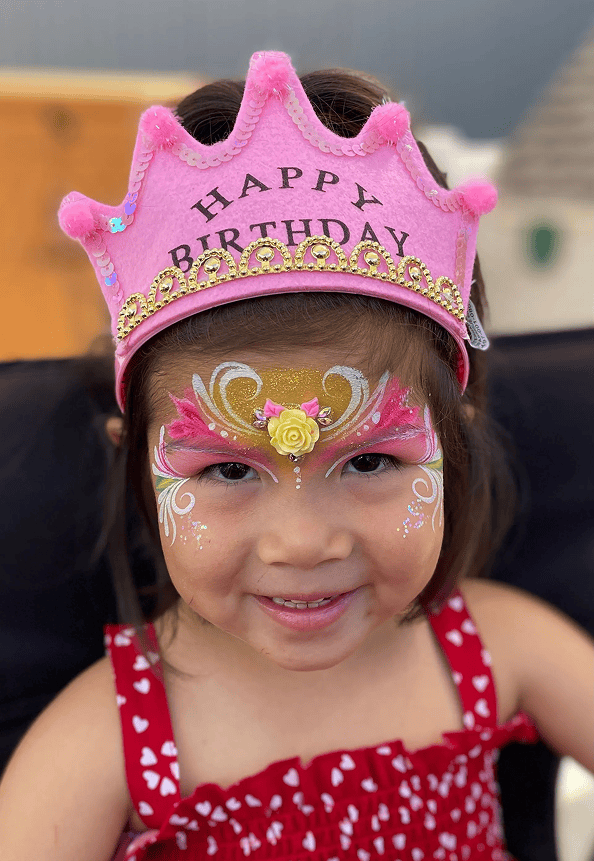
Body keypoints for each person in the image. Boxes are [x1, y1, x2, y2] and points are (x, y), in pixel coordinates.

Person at [0, 51, 592, 861]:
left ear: (455, 439)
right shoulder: (105, 737)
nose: (303, 542)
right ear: (137, 462)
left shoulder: (495, 647)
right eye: (229, 470)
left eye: (372, 462)